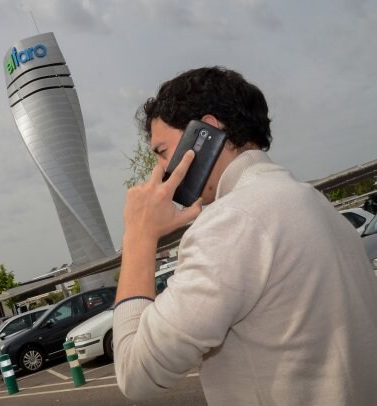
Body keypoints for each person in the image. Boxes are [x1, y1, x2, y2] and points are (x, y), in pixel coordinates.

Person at [113, 66, 377, 405]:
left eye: (162, 152)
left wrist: (138, 235)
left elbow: (137, 375)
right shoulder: (311, 201)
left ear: (205, 133)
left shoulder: (230, 222)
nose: (161, 170)